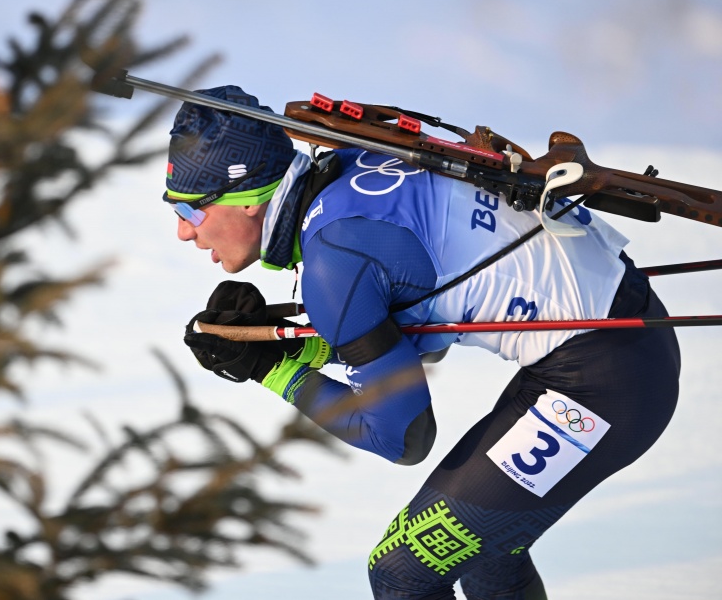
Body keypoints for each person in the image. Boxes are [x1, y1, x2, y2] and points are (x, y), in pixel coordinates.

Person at [164, 86, 681, 600]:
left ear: (249, 200)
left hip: (603, 384)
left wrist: (272, 371)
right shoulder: (353, 161)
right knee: (489, 552)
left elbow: (403, 436)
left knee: (400, 572)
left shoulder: (334, 259)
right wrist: (290, 348)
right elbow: (415, 329)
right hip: (614, 342)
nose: (185, 234)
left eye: (190, 213)